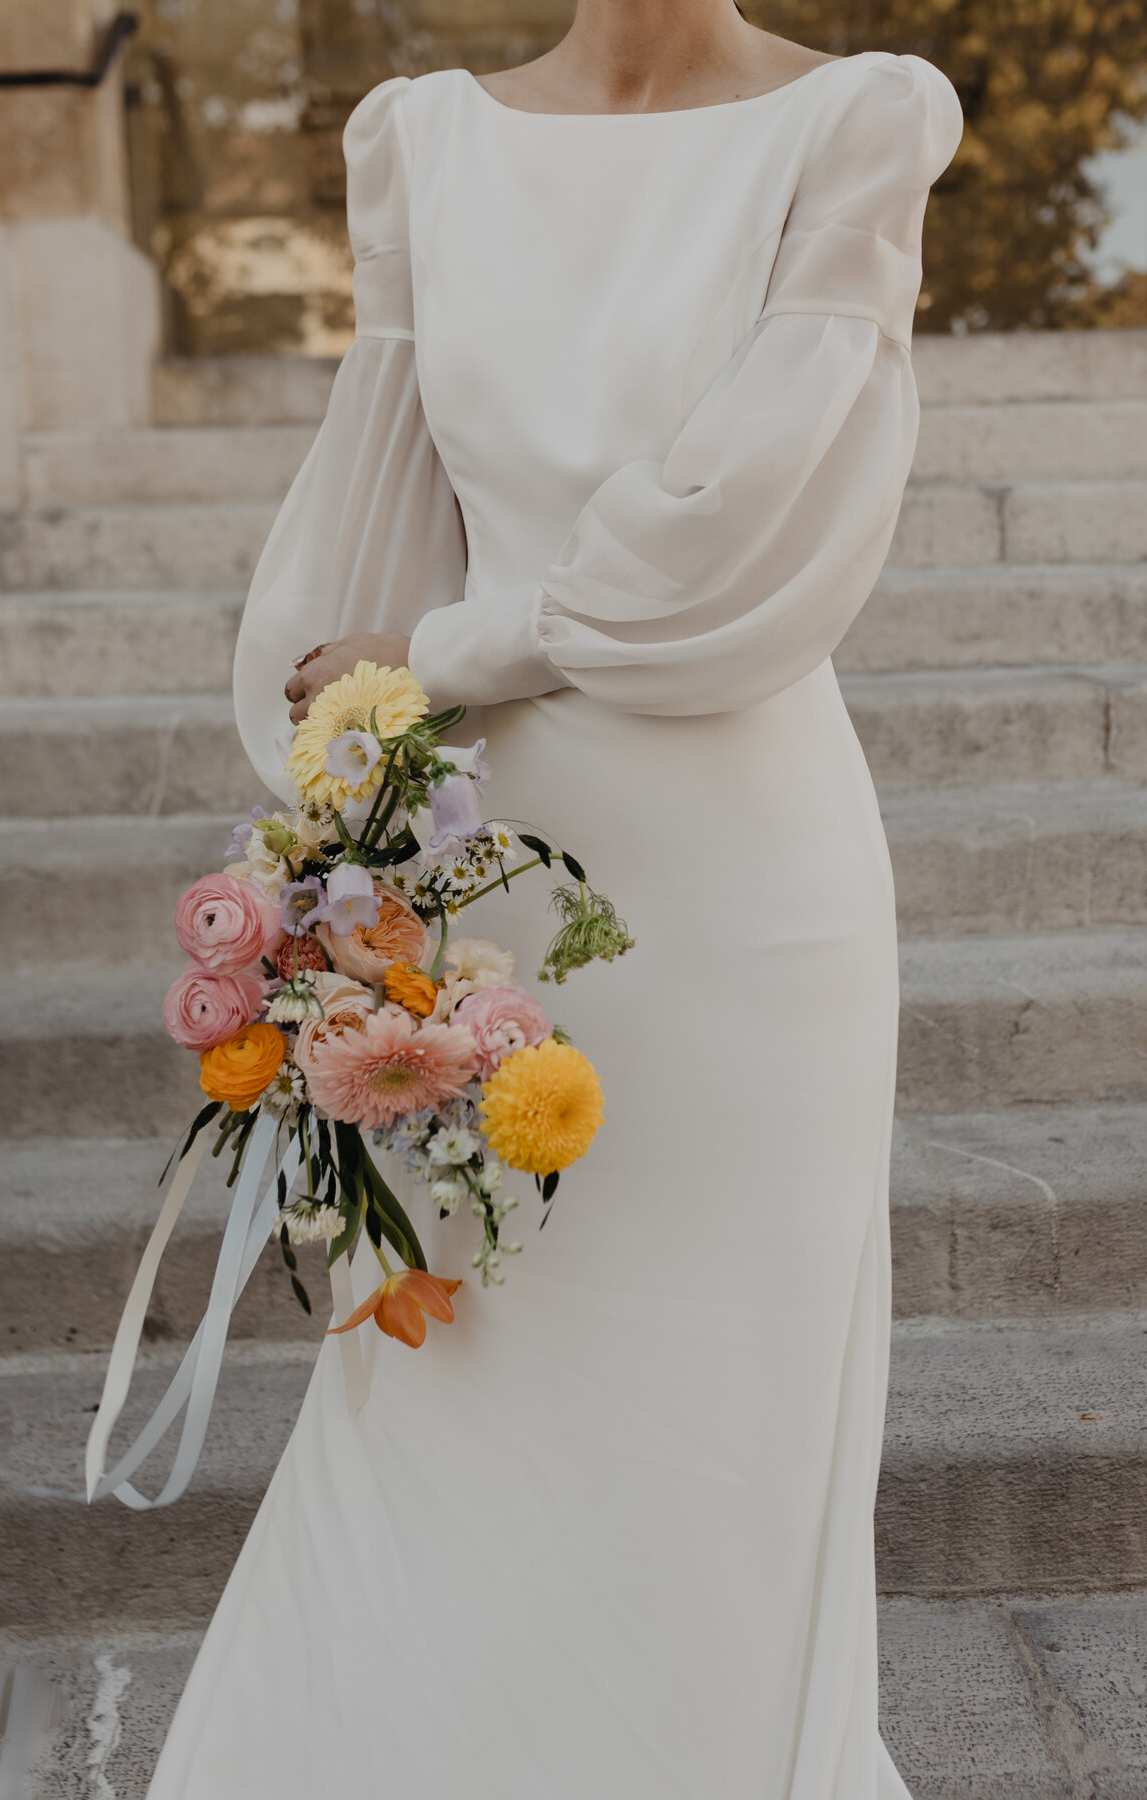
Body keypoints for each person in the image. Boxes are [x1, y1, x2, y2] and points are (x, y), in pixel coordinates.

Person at [147, 1, 961, 1793]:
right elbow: (378, 519)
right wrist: (332, 846)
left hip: (750, 882)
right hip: (482, 852)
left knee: (721, 1423)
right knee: (465, 1381)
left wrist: (442, 658)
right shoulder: (424, 138)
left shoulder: (856, 122)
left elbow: (745, 518)